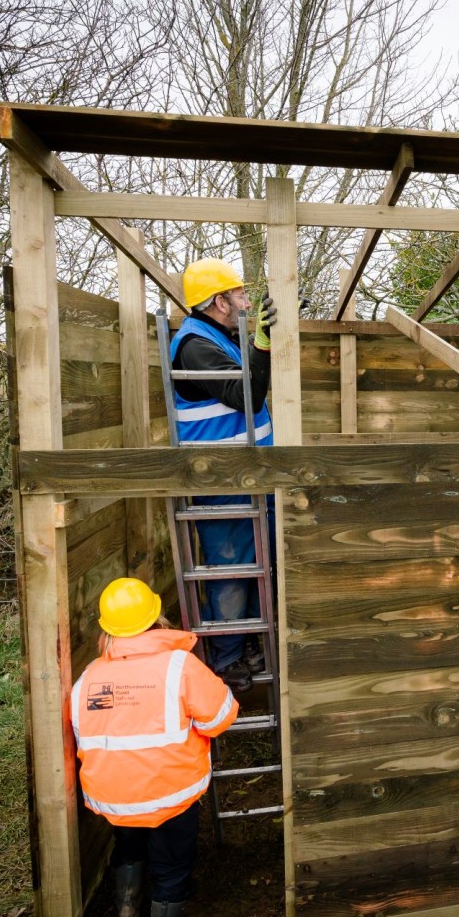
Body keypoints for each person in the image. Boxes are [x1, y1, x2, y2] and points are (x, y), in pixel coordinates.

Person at [69, 577, 238, 917]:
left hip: (115, 797)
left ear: (106, 626)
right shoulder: (180, 666)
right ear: (156, 616)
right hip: (170, 795)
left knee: (128, 849)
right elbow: (220, 718)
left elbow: (84, 737)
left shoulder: (88, 678)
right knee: (171, 866)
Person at [171, 257, 277, 692]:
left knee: (258, 568)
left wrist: (265, 336)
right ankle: (227, 658)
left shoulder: (220, 337)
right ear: (219, 301)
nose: (246, 302)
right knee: (231, 572)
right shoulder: (196, 345)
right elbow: (245, 396)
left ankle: (244, 641)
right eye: (239, 295)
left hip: (247, 480)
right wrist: (263, 342)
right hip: (222, 484)